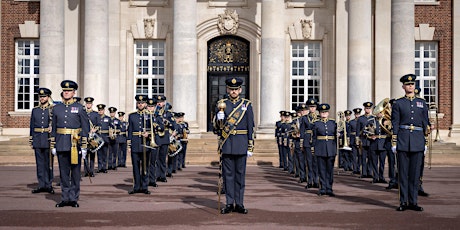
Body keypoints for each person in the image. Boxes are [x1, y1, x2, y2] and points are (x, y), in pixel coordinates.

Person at [214, 77, 254, 214]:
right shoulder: (221, 104)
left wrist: (250, 146)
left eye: (236, 89)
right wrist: (219, 119)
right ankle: (229, 203)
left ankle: (240, 203)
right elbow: (217, 128)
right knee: (228, 176)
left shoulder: (246, 105)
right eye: (231, 89)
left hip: (241, 144)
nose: (234, 91)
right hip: (227, 144)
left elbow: (250, 126)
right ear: (227, 90)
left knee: (240, 176)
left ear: (240, 90)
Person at [391, 74, 429, 212]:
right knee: (403, 173)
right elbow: (395, 122)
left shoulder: (422, 103)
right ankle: (403, 202)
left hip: (418, 141)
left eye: (412, 84)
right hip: (402, 140)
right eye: (407, 84)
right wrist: (394, 141)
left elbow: (426, 122)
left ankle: (413, 202)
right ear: (403, 87)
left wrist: (425, 141)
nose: (410, 86)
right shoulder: (398, 103)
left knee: (415, 174)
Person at [50, 80, 90, 207]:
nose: (66, 93)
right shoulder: (57, 108)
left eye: (69, 91)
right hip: (61, 143)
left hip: (75, 144)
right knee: (63, 173)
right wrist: (53, 145)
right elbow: (54, 128)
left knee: (75, 173)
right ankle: (65, 197)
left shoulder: (80, 108)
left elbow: (85, 128)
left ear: (74, 92)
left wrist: (84, 146)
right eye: (65, 91)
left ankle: (73, 198)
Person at [29, 87, 55, 194]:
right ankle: (41, 184)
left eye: (44, 96)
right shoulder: (35, 110)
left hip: (48, 139)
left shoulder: (52, 110)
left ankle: (48, 184)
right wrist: (31, 139)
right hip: (38, 139)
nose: (42, 98)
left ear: (48, 97)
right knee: (39, 164)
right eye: (41, 97)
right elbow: (32, 126)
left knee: (48, 163)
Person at [127, 95, 152, 194]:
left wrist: (148, 134)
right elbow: (129, 131)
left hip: (145, 144)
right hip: (135, 143)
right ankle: (136, 187)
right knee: (136, 167)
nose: (140, 104)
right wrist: (129, 145)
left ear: (145, 104)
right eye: (139, 103)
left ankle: (145, 187)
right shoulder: (132, 116)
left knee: (145, 166)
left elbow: (153, 130)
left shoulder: (149, 115)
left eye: (142, 103)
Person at [312, 103, 337, 196]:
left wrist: (340, 134)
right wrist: (313, 148)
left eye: (325, 112)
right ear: (319, 113)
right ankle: (322, 188)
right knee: (321, 170)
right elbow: (313, 137)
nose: (324, 114)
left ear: (328, 113)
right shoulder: (316, 123)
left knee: (330, 170)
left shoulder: (333, 123)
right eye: (322, 112)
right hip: (320, 148)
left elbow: (336, 136)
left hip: (331, 149)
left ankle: (329, 188)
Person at [301, 98, 319, 189]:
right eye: (311, 107)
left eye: (314, 107)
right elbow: (302, 131)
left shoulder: (319, 118)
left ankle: (316, 180)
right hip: (307, 140)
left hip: (317, 142)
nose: (312, 109)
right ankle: (310, 181)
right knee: (309, 162)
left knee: (316, 162)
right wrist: (301, 143)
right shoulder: (304, 118)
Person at [357, 102, 375, 179]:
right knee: (363, 157)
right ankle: (364, 172)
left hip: (371, 140)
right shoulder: (361, 118)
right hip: (363, 140)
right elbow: (358, 130)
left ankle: (369, 171)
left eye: (369, 108)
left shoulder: (373, 118)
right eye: (366, 108)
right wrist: (357, 139)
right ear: (364, 109)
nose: (368, 110)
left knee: (371, 157)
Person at [84, 97, 99, 177]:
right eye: (87, 103)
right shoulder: (83, 113)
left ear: (92, 104)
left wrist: (94, 129)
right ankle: (86, 171)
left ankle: (92, 171)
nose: (88, 105)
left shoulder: (95, 114)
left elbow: (99, 125)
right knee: (85, 154)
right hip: (85, 136)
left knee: (92, 154)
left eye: (90, 103)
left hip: (93, 136)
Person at [96, 104, 110, 173]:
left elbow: (111, 127)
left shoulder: (108, 118)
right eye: (99, 110)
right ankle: (99, 167)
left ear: (104, 110)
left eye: (101, 110)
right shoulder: (96, 118)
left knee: (105, 153)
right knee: (99, 154)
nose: (100, 111)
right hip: (98, 138)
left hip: (105, 138)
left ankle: (104, 167)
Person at [350, 108, 362, 175]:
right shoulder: (351, 122)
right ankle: (354, 169)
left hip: (360, 139)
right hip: (353, 140)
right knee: (354, 156)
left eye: (358, 114)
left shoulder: (361, 121)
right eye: (356, 114)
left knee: (360, 155)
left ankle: (358, 168)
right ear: (354, 115)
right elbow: (349, 132)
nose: (357, 115)